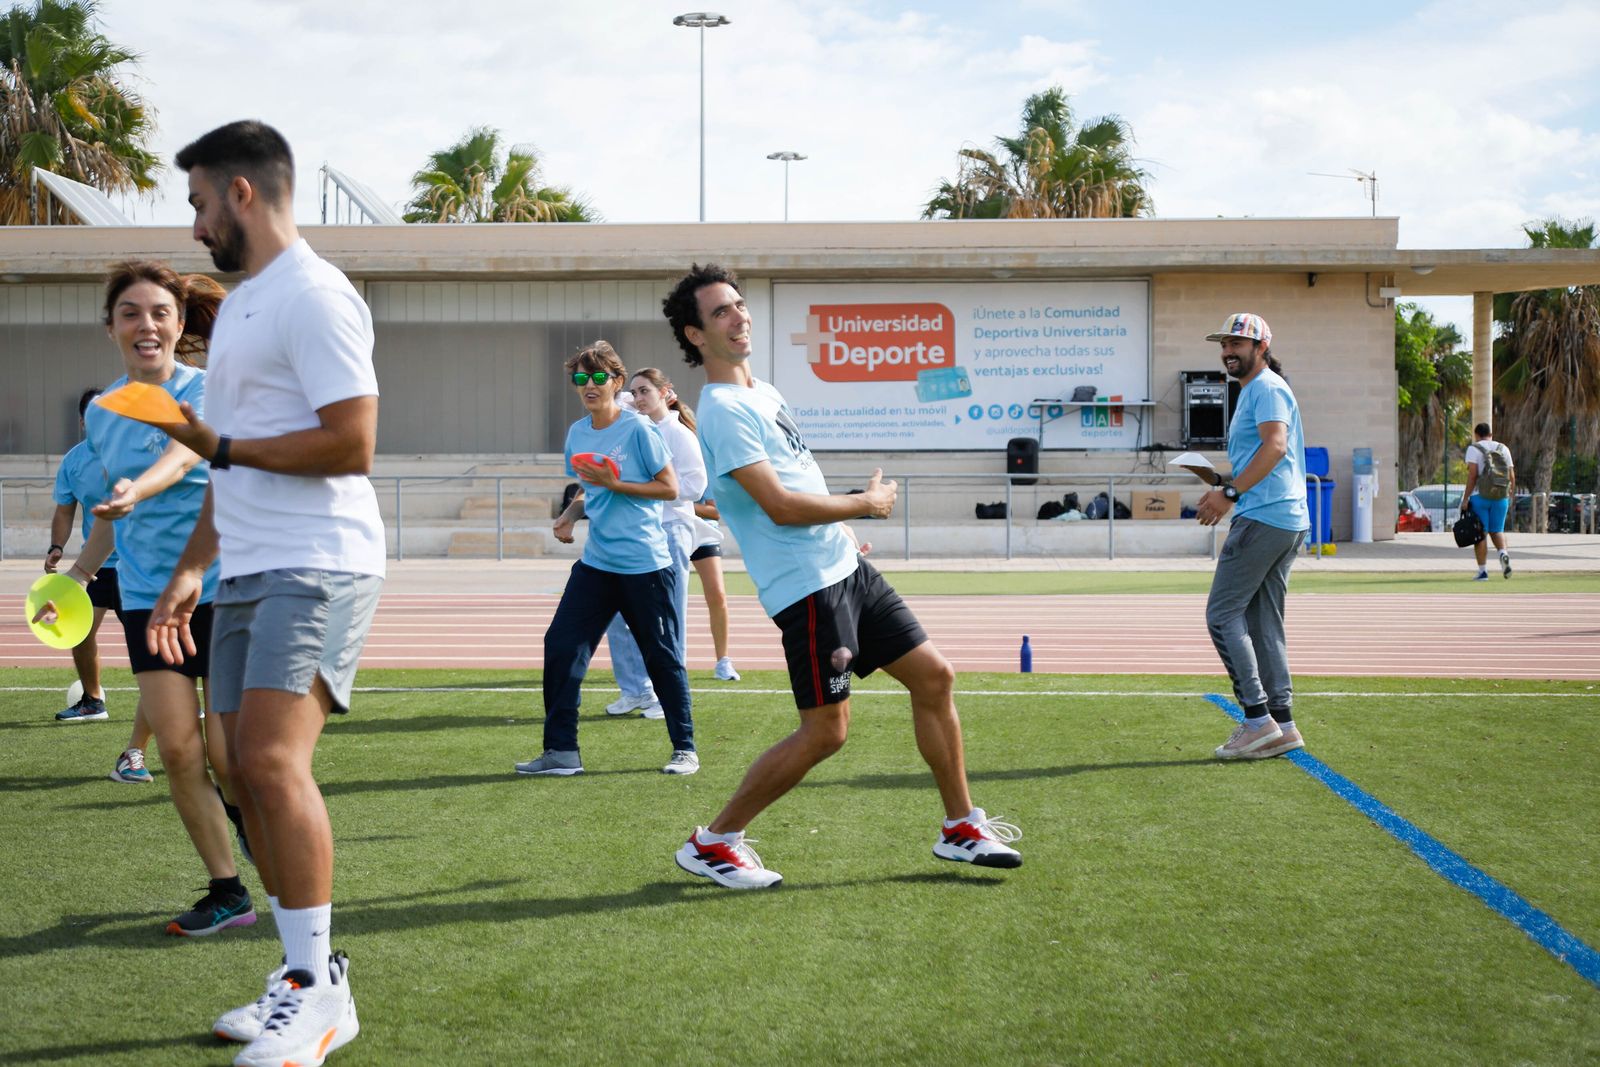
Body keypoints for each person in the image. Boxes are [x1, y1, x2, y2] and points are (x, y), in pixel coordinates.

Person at [148, 120, 385, 1067]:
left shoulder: (317, 296)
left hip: (318, 558)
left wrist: (226, 450)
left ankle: (319, 993)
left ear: (243, 192)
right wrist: (192, 566)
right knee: (236, 765)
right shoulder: (244, 308)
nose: (197, 223)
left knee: (273, 763)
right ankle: (305, 975)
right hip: (246, 565)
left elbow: (353, 442)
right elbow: (225, 464)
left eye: (201, 202)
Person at [663, 263, 1021, 889]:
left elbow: (799, 484)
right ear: (695, 335)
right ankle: (714, 842)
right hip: (807, 588)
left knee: (934, 677)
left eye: (739, 305)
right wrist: (864, 503)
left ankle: (961, 826)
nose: (738, 316)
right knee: (827, 732)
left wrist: (846, 526)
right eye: (720, 311)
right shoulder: (720, 409)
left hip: (845, 565)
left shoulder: (765, 393)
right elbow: (778, 506)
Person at [55, 261, 255, 930]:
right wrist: (76, 580)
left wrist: (139, 488)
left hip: (223, 587)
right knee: (176, 749)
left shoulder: (211, 389)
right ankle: (227, 889)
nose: (147, 324)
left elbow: (187, 457)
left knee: (229, 757)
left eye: (159, 312)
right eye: (131, 312)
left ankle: (257, 822)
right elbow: (108, 515)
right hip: (146, 597)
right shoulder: (105, 414)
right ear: (111, 326)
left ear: (178, 323)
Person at [517, 342, 698, 777]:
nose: (589, 386)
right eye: (581, 378)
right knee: (561, 646)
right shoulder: (578, 433)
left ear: (617, 382)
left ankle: (684, 747)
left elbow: (669, 488)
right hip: (597, 564)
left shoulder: (639, 430)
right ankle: (561, 752)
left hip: (646, 566)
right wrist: (569, 514)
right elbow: (588, 487)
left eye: (599, 378)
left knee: (662, 657)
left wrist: (614, 484)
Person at [1194, 313, 1310, 760]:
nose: (1228, 350)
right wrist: (1225, 480)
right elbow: (1269, 454)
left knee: (1222, 615)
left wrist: (1229, 491)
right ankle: (1282, 724)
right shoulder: (1255, 390)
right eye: (1224, 343)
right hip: (1279, 515)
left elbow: (1276, 445)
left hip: (1266, 517)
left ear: (1261, 347)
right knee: (1263, 622)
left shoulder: (1265, 387)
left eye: (1238, 343)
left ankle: (1258, 720)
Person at [603, 367, 720, 718]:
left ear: (666, 393)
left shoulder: (679, 434)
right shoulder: (633, 428)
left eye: (645, 392)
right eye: (635, 392)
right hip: (637, 531)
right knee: (619, 615)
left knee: (667, 615)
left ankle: (670, 695)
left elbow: (696, 486)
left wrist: (650, 492)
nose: (638, 398)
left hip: (671, 529)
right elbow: (615, 398)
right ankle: (637, 690)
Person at [691, 494, 740, 681]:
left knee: (717, 595)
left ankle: (723, 662)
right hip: (667, 532)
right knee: (663, 600)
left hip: (704, 535)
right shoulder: (661, 464)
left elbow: (714, 512)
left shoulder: (704, 465)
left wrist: (679, 504)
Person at [1463, 423, 1514, 580]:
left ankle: (1483, 571)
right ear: (1491, 434)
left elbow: (1472, 476)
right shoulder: (1503, 448)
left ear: (1477, 435)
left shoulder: (1474, 449)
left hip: (1480, 497)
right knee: (1497, 530)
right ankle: (1503, 555)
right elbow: (1511, 475)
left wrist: (1466, 498)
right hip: (1500, 496)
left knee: (1481, 534)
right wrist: (1509, 495)